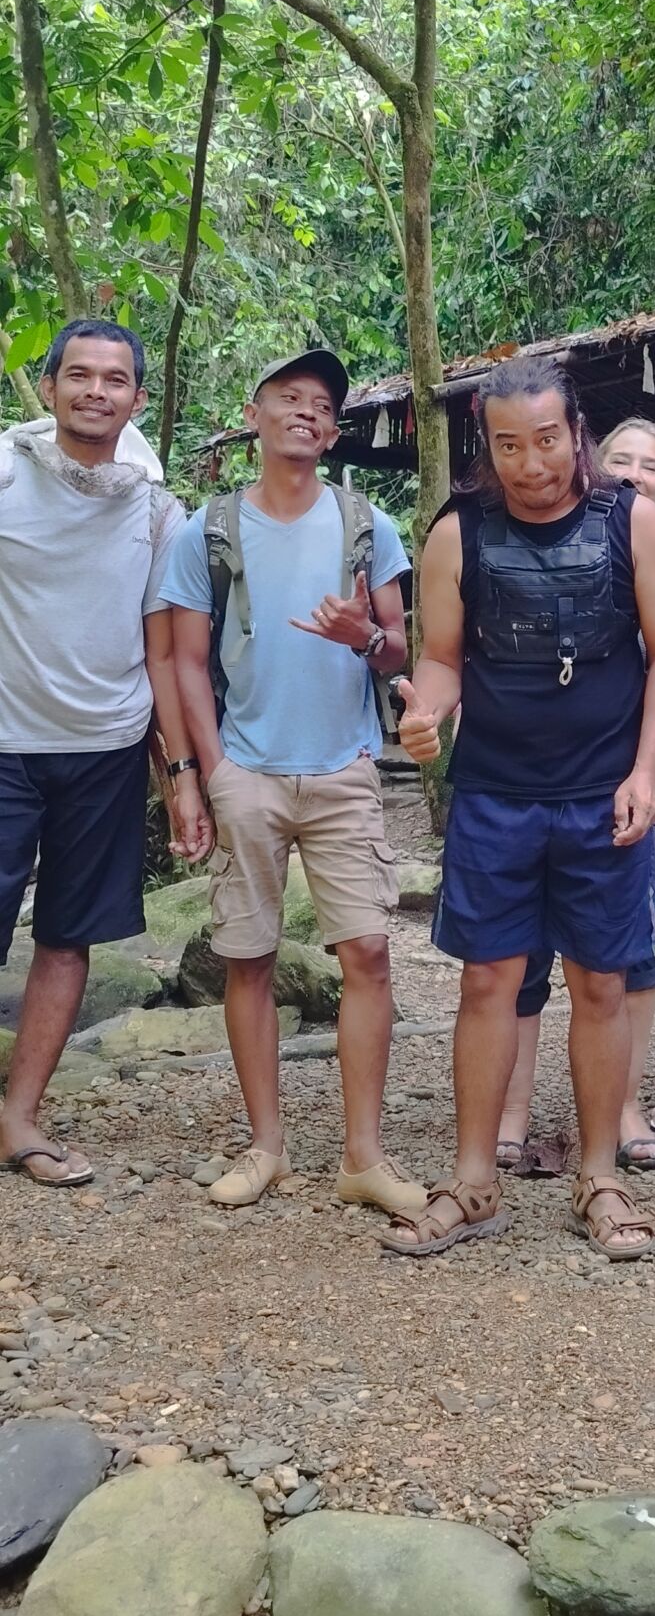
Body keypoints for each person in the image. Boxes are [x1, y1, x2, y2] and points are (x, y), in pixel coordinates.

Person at [390, 359, 655, 1260]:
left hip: (604, 794)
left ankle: (598, 1176)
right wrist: (426, 712)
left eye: (548, 440)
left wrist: (647, 772)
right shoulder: (458, 533)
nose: (531, 464)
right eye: (509, 446)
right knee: (487, 982)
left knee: (601, 984)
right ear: (487, 446)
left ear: (577, 432)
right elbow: (442, 657)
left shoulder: (633, 520)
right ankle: (472, 1180)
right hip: (495, 794)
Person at [164, 348, 418, 1212]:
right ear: (255, 414)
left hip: (343, 769)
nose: (307, 412)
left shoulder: (367, 525)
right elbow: (187, 661)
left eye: (322, 406)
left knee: (369, 955)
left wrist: (363, 636)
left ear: (334, 431)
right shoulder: (207, 531)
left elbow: (400, 650)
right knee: (248, 958)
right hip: (249, 769)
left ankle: (363, 1156)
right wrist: (210, 772)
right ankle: (265, 1146)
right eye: (289, 397)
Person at [0, 320, 212, 1186]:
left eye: (114, 379)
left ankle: (20, 1120)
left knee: (67, 937)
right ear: (48, 386)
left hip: (106, 748)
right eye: (79, 375)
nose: (96, 391)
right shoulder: (5, 474)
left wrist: (181, 777)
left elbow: (163, 653)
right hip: (5, 740)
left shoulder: (158, 510)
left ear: (138, 398)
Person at [495, 415, 655, 1176]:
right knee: (517, 960)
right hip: (530, 781)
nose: (636, 474)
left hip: (630, 780)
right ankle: (510, 1111)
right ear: (593, 463)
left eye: (653, 465)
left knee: (628, 958)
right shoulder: (535, 546)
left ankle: (622, 1106)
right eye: (622, 460)